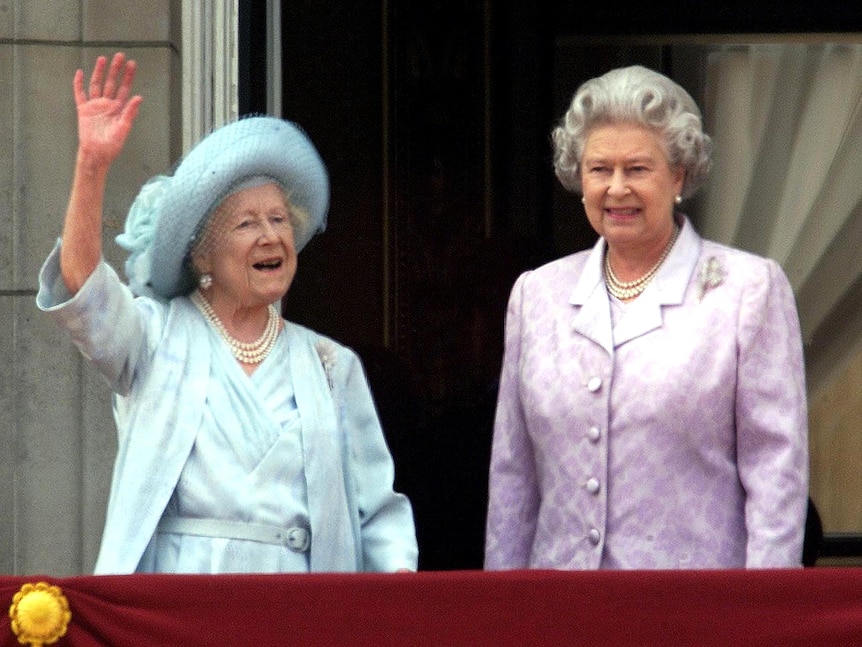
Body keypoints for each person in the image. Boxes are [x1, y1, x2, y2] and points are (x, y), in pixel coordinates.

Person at [36, 52, 418, 574]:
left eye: (280, 219)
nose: (270, 236)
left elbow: (378, 513)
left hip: (296, 610)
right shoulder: (154, 337)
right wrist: (92, 165)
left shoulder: (332, 366)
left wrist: (393, 602)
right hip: (182, 604)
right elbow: (83, 289)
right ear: (202, 255)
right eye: (246, 224)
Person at [484, 65, 809, 570]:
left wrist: (759, 618)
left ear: (678, 174)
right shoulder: (537, 296)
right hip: (560, 614)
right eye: (599, 169)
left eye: (637, 169)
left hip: (694, 616)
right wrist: (504, 616)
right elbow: (513, 477)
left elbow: (776, 477)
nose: (616, 189)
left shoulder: (746, 291)